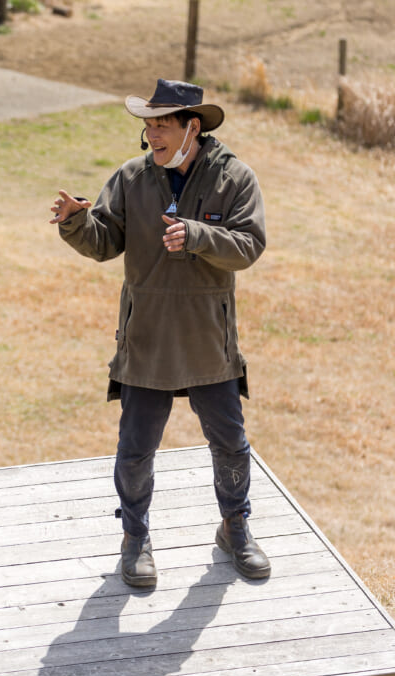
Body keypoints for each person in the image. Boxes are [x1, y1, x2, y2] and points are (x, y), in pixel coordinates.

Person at [49, 79, 270, 587]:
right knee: (134, 449)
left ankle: (236, 527)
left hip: (207, 340)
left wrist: (197, 235)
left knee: (231, 445)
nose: (151, 134)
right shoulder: (131, 177)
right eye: (147, 125)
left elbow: (249, 244)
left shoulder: (235, 178)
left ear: (192, 127)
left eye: (161, 124)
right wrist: (75, 222)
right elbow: (105, 241)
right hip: (146, 338)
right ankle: (135, 537)